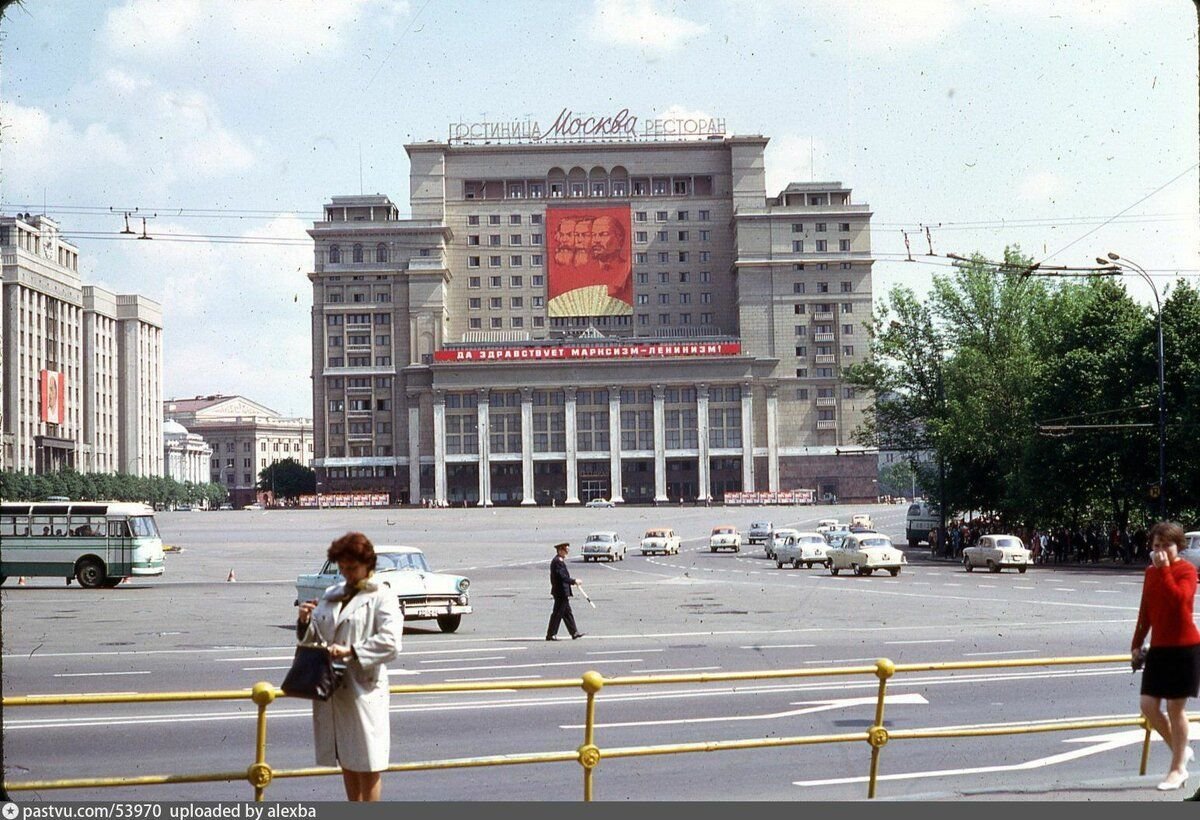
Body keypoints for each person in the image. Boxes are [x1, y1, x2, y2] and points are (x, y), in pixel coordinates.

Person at [297, 532, 402, 801]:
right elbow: (316, 637)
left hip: (363, 691)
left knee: (368, 763)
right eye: (342, 568)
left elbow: (391, 642)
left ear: (369, 564)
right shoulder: (333, 594)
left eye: (352, 568)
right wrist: (305, 621)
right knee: (346, 760)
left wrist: (353, 651)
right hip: (333, 690)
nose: (347, 574)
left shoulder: (383, 596)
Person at [1130, 521, 1200, 792]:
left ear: (1178, 547)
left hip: (1184, 647)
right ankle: (1179, 752)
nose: (1160, 551)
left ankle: (1177, 769)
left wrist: (1166, 570)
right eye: (1156, 546)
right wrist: (1136, 643)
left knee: (1175, 708)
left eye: (1166, 545)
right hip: (1159, 647)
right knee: (1148, 705)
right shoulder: (1150, 573)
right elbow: (1145, 611)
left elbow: (1179, 603)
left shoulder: (1186, 571)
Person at [547, 542, 584, 641]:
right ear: (560, 550)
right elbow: (562, 577)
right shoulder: (557, 561)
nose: (567, 552)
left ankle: (574, 632)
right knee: (558, 613)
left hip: (562, 592)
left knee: (567, 613)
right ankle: (551, 634)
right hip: (560, 592)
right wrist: (574, 581)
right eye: (566, 550)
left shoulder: (560, 561)